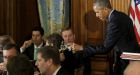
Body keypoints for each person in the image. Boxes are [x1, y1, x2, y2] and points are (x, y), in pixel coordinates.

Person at [72, 0, 140, 75]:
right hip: (132, 59)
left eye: (97, 12)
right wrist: (116, 62)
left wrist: (82, 48)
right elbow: (120, 43)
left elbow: (105, 48)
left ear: (105, 9)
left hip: (128, 61)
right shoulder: (121, 16)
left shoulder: (115, 21)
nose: (96, 15)